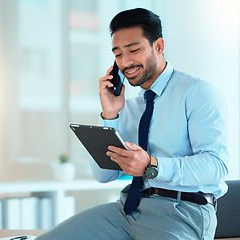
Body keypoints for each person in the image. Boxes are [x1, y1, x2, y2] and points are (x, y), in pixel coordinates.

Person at [37, 8, 229, 240]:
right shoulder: (128, 108)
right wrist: (109, 115)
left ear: (158, 46)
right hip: (127, 210)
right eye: (118, 54)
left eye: (134, 50)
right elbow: (104, 176)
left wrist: (151, 165)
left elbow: (217, 166)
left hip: (183, 212)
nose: (125, 62)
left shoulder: (196, 93)